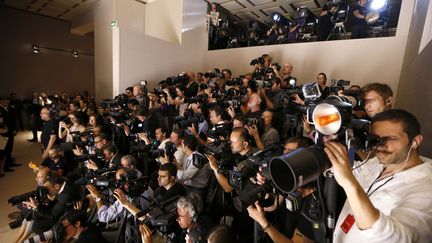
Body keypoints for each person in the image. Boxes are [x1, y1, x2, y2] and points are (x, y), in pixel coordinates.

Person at [324, 109, 432, 242]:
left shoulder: (426, 189)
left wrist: (349, 184)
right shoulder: (377, 163)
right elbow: (343, 169)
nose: (380, 145)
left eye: (391, 138)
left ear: (415, 141)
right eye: (377, 139)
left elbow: (394, 239)